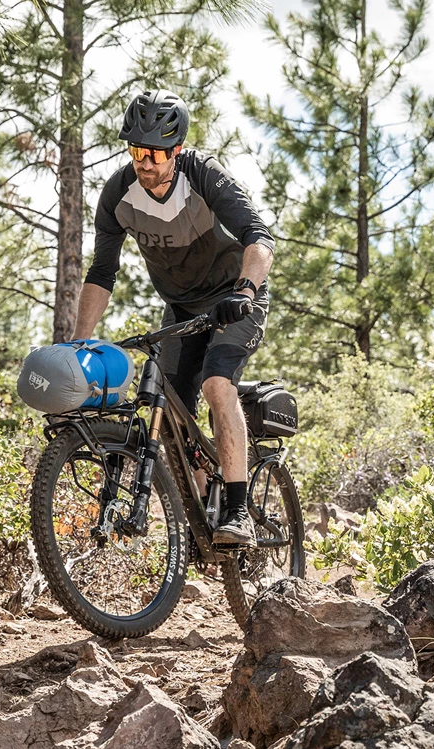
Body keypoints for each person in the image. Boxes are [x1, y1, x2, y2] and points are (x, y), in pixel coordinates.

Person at [73, 88, 275, 547]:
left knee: (216, 384)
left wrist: (245, 289)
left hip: (234, 297)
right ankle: (206, 517)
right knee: (173, 414)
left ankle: (238, 511)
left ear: (177, 149)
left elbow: (259, 237)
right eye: (136, 151)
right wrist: (78, 341)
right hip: (182, 308)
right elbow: (102, 272)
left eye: (155, 153)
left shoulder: (203, 175)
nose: (144, 162)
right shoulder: (119, 194)